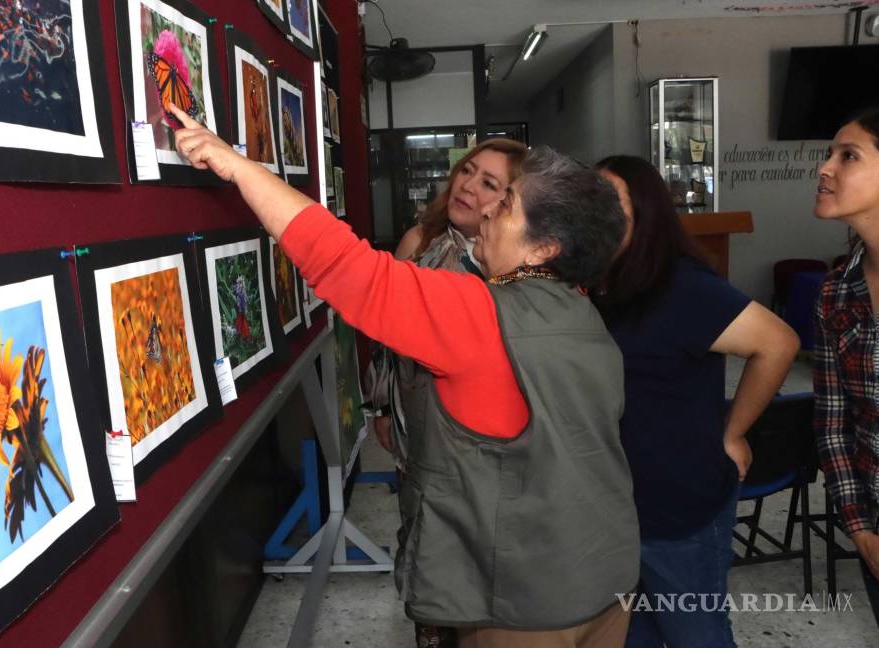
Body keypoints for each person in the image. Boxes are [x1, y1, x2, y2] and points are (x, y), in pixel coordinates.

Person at [171, 103, 639, 647]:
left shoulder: (481, 315)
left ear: (544, 247)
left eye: (505, 203)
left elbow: (347, 268)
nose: (487, 211)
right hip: (607, 575)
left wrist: (238, 166)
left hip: (528, 601)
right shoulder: (581, 309)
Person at [593, 155, 799, 648]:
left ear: (646, 213)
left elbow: (778, 343)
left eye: (611, 203)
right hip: (621, 508)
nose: (596, 214)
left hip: (678, 505)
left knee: (695, 634)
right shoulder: (603, 284)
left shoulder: (680, 285)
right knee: (633, 635)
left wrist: (733, 429)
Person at [368, 138, 527, 648]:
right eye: (467, 171)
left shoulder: (510, 266)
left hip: (471, 435)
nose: (468, 186)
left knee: (469, 548)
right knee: (418, 535)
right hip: (413, 418)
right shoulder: (419, 239)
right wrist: (381, 406)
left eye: (489, 183)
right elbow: (386, 339)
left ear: (511, 201)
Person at [812, 107, 879, 626]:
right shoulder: (837, 291)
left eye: (848, 155)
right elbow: (835, 422)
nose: (825, 168)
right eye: (830, 153)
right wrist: (859, 528)